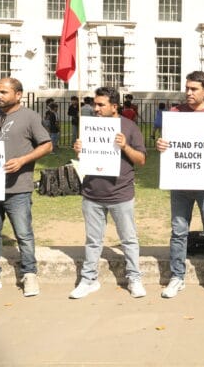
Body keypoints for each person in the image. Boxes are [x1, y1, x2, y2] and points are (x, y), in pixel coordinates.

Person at [0, 78, 52, 298]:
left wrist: (22, 160)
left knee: (24, 234)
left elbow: (47, 145)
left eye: (4, 92)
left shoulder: (30, 117)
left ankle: (30, 274)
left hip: (18, 188)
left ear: (18, 95)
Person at [156, 71, 204, 298]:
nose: (188, 92)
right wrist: (161, 144)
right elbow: (167, 143)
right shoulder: (175, 112)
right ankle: (177, 277)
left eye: (194, 89)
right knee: (179, 231)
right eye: (187, 88)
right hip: (179, 181)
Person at [69, 87, 147, 299]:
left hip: (120, 194)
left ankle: (134, 278)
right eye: (95, 104)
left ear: (114, 106)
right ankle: (88, 279)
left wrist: (125, 147)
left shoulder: (129, 127)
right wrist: (80, 149)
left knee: (129, 239)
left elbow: (141, 159)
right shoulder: (89, 126)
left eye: (101, 104)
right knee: (93, 240)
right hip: (92, 194)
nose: (96, 108)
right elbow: (85, 159)